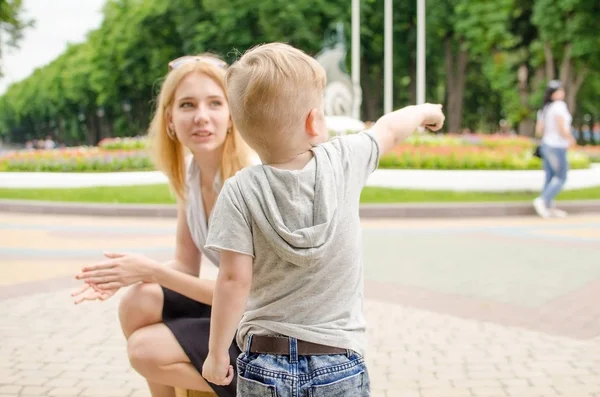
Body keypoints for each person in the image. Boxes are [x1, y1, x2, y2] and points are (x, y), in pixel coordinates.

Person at [200, 43, 445, 396]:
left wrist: (216, 352)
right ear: (314, 121)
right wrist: (425, 111)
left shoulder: (239, 190)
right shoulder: (343, 160)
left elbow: (232, 280)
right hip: (338, 359)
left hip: (264, 360)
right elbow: (390, 129)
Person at [72, 54, 253, 397]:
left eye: (215, 103)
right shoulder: (191, 172)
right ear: (170, 119)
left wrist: (153, 271)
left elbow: (244, 291)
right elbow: (185, 264)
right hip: (232, 307)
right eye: (187, 105)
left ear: (232, 116)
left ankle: (260, 386)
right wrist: (125, 273)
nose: (202, 117)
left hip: (264, 325)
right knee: (138, 300)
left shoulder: (245, 179)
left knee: (145, 350)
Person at [533, 80, 575, 218]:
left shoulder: (544, 109)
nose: (562, 92)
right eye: (560, 90)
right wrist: (570, 138)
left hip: (546, 144)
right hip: (557, 145)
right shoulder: (559, 106)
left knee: (550, 177)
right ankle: (543, 200)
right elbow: (561, 125)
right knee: (561, 176)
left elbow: (539, 130)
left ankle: (548, 207)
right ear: (554, 94)